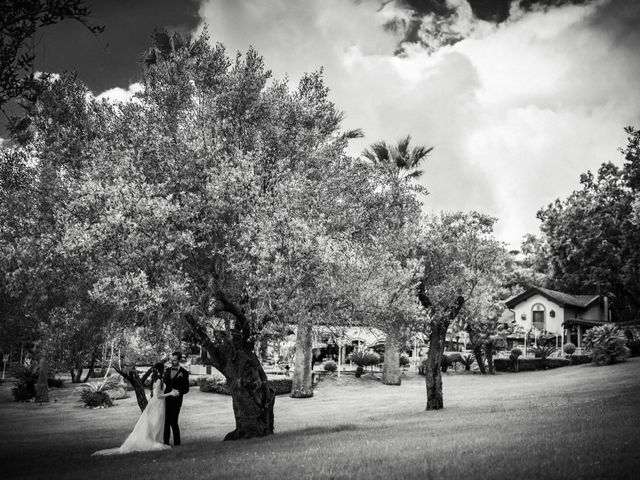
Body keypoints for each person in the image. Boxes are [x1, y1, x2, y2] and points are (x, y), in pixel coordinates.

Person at [92, 362, 178, 456]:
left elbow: (157, 393)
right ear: (160, 370)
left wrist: (172, 391)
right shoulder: (158, 381)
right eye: (163, 369)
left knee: (157, 423)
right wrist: (170, 394)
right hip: (157, 404)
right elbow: (158, 395)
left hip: (158, 403)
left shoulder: (158, 380)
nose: (165, 370)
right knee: (155, 422)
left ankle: (154, 439)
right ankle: (150, 441)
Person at [163, 351, 189, 446]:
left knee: (173, 421)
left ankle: (177, 444)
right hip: (165, 399)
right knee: (165, 422)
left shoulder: (184, 372)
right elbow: (164, 384)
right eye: (171, 359)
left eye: (174, 360)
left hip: (176, 401)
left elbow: (186, 388)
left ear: (179, 360)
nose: (172, 361)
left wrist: (178, 393)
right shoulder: (167, 370)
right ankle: (165, 443)